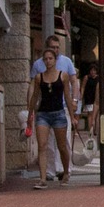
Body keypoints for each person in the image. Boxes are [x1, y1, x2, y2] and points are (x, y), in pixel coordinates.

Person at [30, 35, 79, 180]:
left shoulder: (66, 62)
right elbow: (33, 88)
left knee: (63, 142)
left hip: (62, 107)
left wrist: (75, 102)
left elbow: (73, 82)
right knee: (46, 143)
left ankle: (65, 169)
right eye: (53, 47)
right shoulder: (39, 65)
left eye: (57, 47)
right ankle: (49, 172)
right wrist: (30, 110)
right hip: (44, 110)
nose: (55, 50)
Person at [80, 61, 100, 131]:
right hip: (89, 97)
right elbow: (83, 87)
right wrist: (81, 95)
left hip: (96, 97)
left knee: (96, 114)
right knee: (90, 114)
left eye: (94, 70)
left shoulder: (98, 78)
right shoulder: (86, 77)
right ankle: (90, 129)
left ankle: (96, 130)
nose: (93, 72)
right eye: (91, 70)